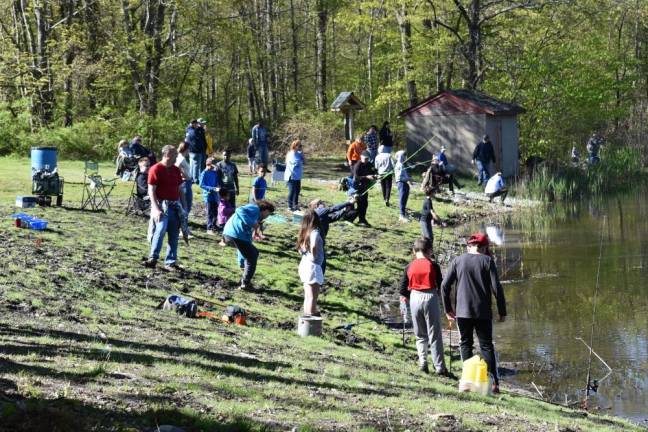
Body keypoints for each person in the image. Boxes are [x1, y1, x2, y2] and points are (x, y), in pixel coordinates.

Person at [441, 232, 507, 393]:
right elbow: (496, 288)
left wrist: (448, 309)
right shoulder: (487, 261)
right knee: (486, 346)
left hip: (462, 312)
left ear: (469, 246)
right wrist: (502, 310)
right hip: (483, 312)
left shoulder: (457, 261)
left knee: (465, 344)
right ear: (484, 248)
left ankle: (468, 381)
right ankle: (493, 383)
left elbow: (444, 286)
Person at [399, 238, 452, 376]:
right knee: (434, 335)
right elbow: (441, 286)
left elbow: (402, 290)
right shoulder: (434, 266)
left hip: (415, 298)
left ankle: (423, 362)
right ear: (430, 251)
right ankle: (439, 367)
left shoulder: (409, 266)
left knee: (420, 334)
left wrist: (408, 300)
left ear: (414, 251)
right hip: (430, 296)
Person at [145, 145, 186, 270]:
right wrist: (156, 209)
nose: (177, 157)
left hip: (174, 206)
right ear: (167, 155)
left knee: (174, 234)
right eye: (175, 155)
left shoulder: (175, 169)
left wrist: (184, 207)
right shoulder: (155, 169)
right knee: (161, 229)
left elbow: (180, 189)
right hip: (162, 205)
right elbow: (151, 190)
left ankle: (170, 261)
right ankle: (153, 257)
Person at [223, 200, 276, 289]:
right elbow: (239, 210)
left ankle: (244, 281)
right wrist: (252, 223)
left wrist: (242, 264)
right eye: (268, 213)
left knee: (251, 253)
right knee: (253, 255)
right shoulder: (255, 208)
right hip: (234, 234)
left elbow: (246, 244)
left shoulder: (256, 219)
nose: (267, 216)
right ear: (265, 210)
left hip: (233, 236)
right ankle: (245, 283)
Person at [308, 198, 356, 274]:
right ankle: (318, 280)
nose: (323, 203)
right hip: (316, 242)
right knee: (321, 263)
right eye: (321, 202)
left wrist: (344, 210)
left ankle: (317, 279)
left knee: (320, 262)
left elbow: (334, 218)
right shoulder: (319, 211)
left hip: (319, 241)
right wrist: (348, 202)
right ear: (317, 205)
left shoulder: (321, 215)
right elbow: (333, 209)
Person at [297, 209, 324, 316]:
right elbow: (313, 245)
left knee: (308, 296)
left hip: (304, 264)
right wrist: (314, 255)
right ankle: (312, 314)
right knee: (313, 296)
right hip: (313, 267)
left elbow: (299, 248)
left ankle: (306, 315)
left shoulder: (303, 232)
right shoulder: (315, 231)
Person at [351, 151, 377, 227]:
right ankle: (351, 218)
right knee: (359, 203)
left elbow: (374, 170)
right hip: (356, 187)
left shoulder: (369, 164)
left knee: (365, 204)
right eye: (365, 159)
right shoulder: (357, 165)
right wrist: (366, 177)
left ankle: (362, 219)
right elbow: (355, 178)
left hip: (365, 187)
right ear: (361, 157)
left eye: (367, 159)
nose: (366, 160)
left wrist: (375, 175)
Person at [199, 157, 220, 235]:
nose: (214, 167)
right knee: (210, 212)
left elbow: (216, 182)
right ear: (208, 164)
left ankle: (214, 225)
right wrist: (212, 188)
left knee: (216, 211)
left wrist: (218, 186)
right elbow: (201, 185)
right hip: (208, 195)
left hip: (215, 195)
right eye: (212, 165)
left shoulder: (214, 172)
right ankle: (209, 228)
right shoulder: (204, 173)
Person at [284, 140, 305, 211]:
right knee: (292, 191)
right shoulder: (291, 154)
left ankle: (295, 205)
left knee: (297, 191)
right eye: (299, 146)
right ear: (295, 146)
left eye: (301, 146)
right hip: (291, 176)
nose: (301, 147)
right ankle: (290, 206)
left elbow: (304, 161)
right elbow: (293, 163)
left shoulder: (299, 153)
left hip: (298, 176)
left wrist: (302, 153)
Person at [185, 119, 207, 184]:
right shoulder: (194, 131)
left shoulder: (188, 130)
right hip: (196, 150)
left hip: (191, 150)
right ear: (193, 124)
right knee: (196, 165)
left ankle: (192, 178)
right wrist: (200, 129)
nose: (197, 125)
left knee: (192, 165)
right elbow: (197, 138)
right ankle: (196, 179)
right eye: (196, 124)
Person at [175, 142, 193, 216]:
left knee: (185, 201)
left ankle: (183, 218)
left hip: (186, 182)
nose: (189, 150)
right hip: (185, 182)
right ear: (186, 149)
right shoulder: (181, 158)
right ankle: (184, 219)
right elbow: (177, 167)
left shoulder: (180, 157)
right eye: (189, 149)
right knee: (187, 202)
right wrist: (185, 175)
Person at [394, 150, 411, 222]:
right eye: (404, 155)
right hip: (402, 183)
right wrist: (408, 178)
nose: (405, 157)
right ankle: (401, 216)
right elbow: (399, 177)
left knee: (404, 199)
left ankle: (403, 213)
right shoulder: (399, 165)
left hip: (404, 183)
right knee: (402, 199)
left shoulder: (401, 164)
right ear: (401, 156)